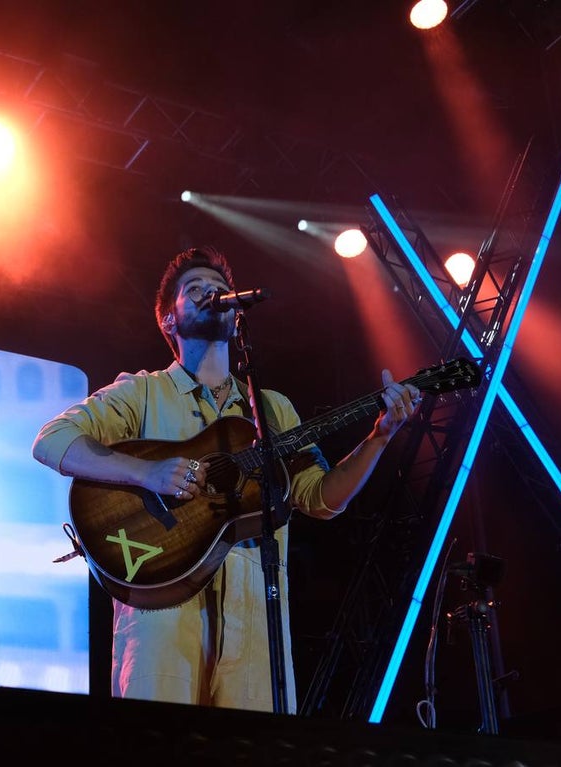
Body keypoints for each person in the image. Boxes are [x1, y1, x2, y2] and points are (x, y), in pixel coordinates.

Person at [31, 245, 420, 713]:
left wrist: (379, 437)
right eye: (193, 290)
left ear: (236, 315)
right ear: (168, 321)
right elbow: (52, 439)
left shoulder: (272, 409)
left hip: (255, 627)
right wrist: (146, 471)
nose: (210, 294)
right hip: (161, 619)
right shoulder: (141, 391)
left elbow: (320, 497)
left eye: (218, 289)